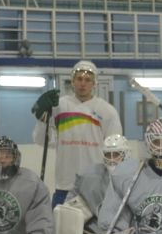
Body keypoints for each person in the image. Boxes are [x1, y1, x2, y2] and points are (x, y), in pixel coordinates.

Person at [31, 60, 122, 207]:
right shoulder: (59, 106)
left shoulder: (107, 111)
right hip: (64, 186)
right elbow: (41, 140)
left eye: (87, 80)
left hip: (96, 187)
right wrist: (42, 118)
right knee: (61, 230)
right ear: (72, 81)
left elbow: (115, 152)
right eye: (79, 79)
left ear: (94, 83)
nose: (83, 83)